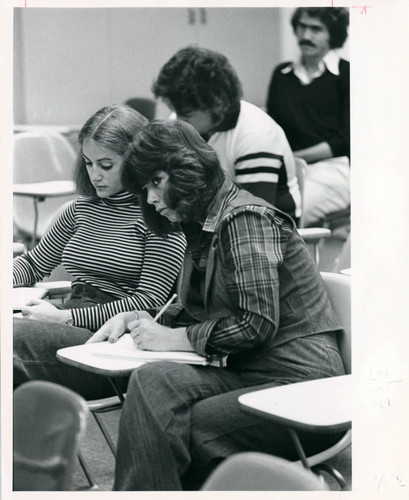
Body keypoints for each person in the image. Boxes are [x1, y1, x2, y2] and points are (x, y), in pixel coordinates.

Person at [87, 119, 346, 490]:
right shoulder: (202, 223)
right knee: (153, 380)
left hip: (301, 385)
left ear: (186, 170)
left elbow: (256, 324)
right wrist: (137, 318)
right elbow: (197, 311)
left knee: (184, 426)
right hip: (254, 370)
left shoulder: (246, 219)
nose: (151, 199)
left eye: (156, 182)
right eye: (145, 188)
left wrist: (173, 339)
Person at [13, 105, 186, 400]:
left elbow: (151, 303)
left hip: (114, 340)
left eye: (106, 165)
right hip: (70, 319)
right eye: (89, 163)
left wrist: (66, 319)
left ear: (136, 161)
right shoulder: (81, 208)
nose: (95, 175)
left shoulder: (159, 213)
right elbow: (32, 263)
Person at [151, 46, 301, 222]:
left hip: (269, 232)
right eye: (174, 109)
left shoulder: (255, 135)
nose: (177, 120)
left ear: (217, 104)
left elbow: (253, 218)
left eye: (187, 114)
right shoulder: (185, 120)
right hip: (212, 221)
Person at [266, 7, 350, 227]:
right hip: (288, 167)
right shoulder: (282, 74)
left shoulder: (348, 75)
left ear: (333, 34)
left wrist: (294, 158)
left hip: (332, 169)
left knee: (285, 214)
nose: (305, 36)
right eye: (302, 27)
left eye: (316, 29)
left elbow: (345, 141)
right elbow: (273, 127)